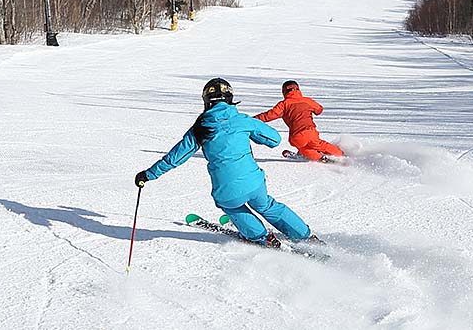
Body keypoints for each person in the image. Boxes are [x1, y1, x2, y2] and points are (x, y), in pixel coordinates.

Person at [135, 78, 314, 248]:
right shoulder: (243, 120)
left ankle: (261, 236)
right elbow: (274, 140)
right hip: (255, 183)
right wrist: (251, 131)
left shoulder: (200, 128)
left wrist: (148, 175)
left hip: (226, 190)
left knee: (232, 206)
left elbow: (175, 158)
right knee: (266, 205)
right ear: (230, 98)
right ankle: (304, 235)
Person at [255, 80, 344, 161]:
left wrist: (252, 119)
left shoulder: (283, 104)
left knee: (304, 148)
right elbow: (319, 110)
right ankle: (341, 155)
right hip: (310, 131)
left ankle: (319, 158)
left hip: (296, 136)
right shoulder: (307, 101)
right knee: (320, 144)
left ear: (284, 92)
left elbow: (268, 116)